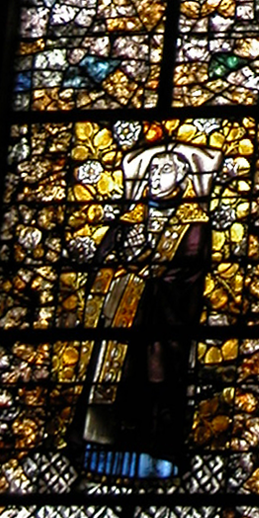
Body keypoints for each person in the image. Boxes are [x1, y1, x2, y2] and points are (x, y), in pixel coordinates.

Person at [68, 140, 221, 481]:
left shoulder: (194, 225)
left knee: (155, 383)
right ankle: (99, 453)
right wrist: (118, 269)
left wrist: (147, 275)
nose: (155, 176)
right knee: (110, 382)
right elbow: (103, 259)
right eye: (152, 170)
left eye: (165, 169)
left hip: (160, 326)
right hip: (120, 321)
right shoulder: (129, 220)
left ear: (182, 179)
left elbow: (187, 272)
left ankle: (156, 458)